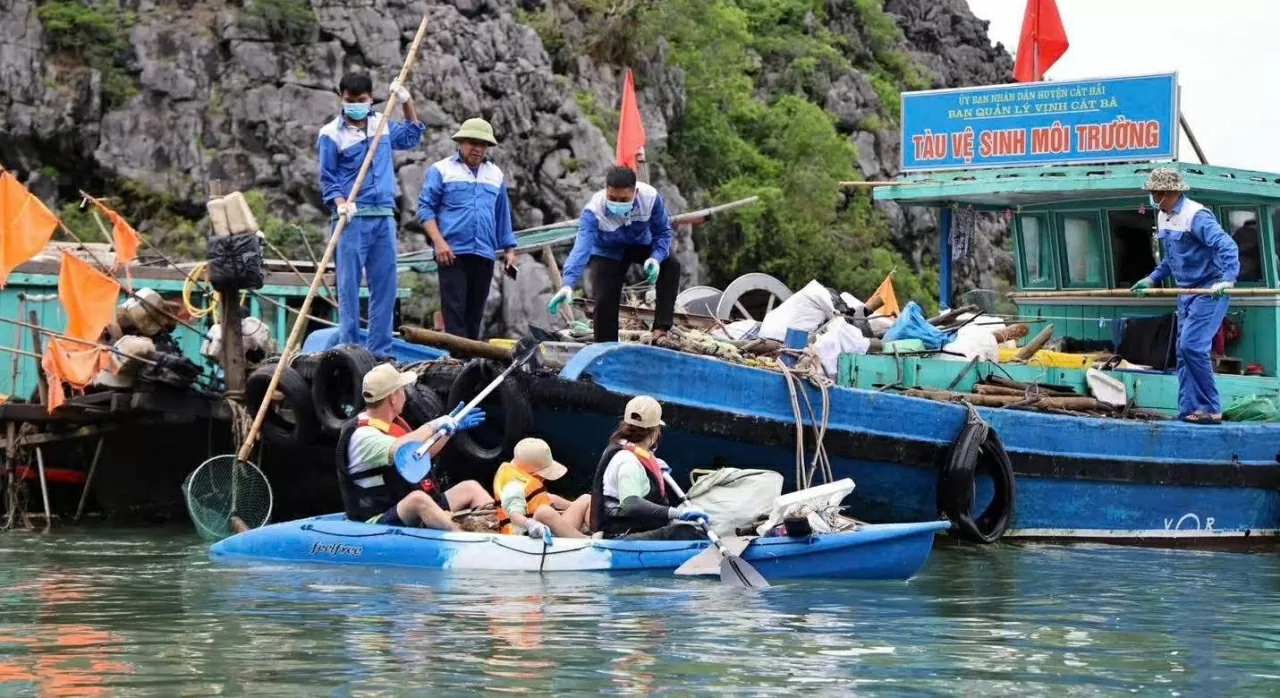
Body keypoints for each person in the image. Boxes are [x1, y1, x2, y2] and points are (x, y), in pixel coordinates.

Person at [317, 73, 425, 360]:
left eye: (361, 100)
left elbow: (412, 136)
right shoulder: (331, 133)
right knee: (349, 287)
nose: (355, 105)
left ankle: (380, 352)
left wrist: (406, 102)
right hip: (351, 217)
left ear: (371, 99)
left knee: (385, 287)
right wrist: (341, 203)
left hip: (384, 216)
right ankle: (349, 351)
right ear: (341, 98)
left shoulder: (382, 124)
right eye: (350, 100)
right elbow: (328, 178)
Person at [1129, 167, 1240, 424]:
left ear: (1170, 192)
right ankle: (1187, 410)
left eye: (1155, 192)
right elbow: (1171, 259)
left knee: (1193, 346)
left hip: (1209, 290)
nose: (1152, 197)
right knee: (1182, 351)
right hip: (1186, 291)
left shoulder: (1196, 216)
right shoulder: (1163, 217)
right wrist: (1152, 278)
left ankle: (1210, 408)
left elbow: (1227, 246)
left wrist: (1227, 279)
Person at [336, 363, 493, 529]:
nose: (405, 394)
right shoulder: (363, 436)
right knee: (418, 499)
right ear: (393, 398)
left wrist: (449, 431)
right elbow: (400, 448)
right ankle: (460, 538)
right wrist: (435, 424)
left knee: (471, 488)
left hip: (403, 506)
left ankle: (500, 531)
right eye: (402, 389)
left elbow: (421, 453)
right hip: (377, 520)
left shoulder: (390, 424)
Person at [549, 166, 679, 343]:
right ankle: (606, 344)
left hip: (640, 243)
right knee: (604, 296)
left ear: (635, 192)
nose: (617, 203)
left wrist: (656, 258)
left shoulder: (650, 198)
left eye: (623, 199)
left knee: (671, 264)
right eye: (612, 198)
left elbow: (663, 232)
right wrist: (568, 284)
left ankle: (660, 330)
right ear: (606, 191)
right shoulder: (593, 210)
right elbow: (581, 248)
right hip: (608, 250)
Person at [417, 118, 517, 340]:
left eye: (483, 144)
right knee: (455, 311)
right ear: (461, 142)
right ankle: (457, 357)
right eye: (473, 143)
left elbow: (502, 215)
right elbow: (425, 209)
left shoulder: (495, 175)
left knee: (475, 314)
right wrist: (439, 242)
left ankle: (469, 357)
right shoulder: (441, 170)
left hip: (484, 253)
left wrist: (510, 251)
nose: (478, 149)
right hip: (452, 253)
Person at [588, 396, 710, 540]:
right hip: (621, 537)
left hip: (630, 529)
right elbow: (631, 504)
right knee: (685, 532)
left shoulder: (622, 446)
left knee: (681, 528)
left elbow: (638, 458)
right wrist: (677, 513)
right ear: (655, 431)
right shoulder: (628, 462)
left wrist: (653, 465)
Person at [492, 438, 592, 539]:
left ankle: (598, 531)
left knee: (586, 498)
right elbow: (514, 514)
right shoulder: (513, 487)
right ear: (534, 474)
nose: (544, 479)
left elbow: (548, 498)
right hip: (530, 537)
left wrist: (573, 506)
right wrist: (530, 524)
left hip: (552, 532)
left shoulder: (522, 480)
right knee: (543, 512)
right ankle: (585, 540)